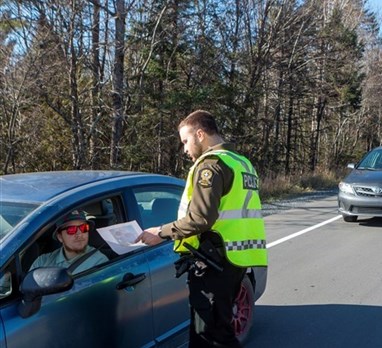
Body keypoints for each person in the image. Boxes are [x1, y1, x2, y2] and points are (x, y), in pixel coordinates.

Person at [136, 110, 268, 348]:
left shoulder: (211, 165)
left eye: (186, 141)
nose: (185, 149)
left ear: (200, 134)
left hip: (214, 260)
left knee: (211, 336)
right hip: (238, 257)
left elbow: (200, 219)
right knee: (219, 328)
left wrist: (161, 232)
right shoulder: (242, 162)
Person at [30, 210, 108, 273]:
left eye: (83, 228)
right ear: (60, 237)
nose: (79, 234)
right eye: (71, 230)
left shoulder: (100, 262)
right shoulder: (42, 262)